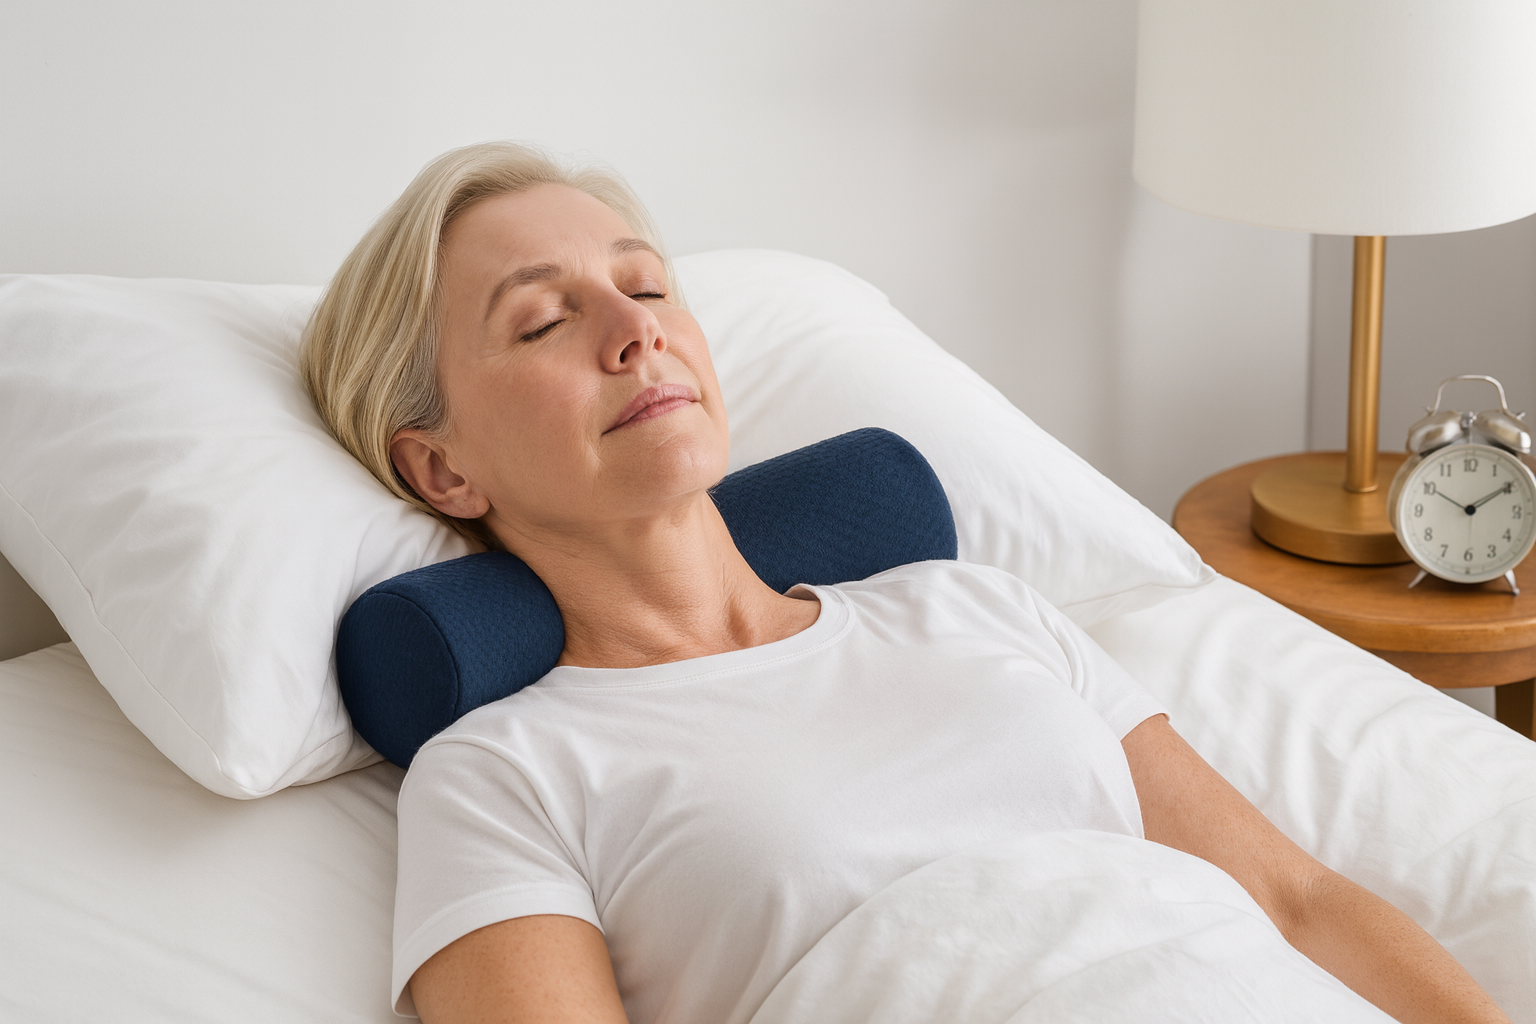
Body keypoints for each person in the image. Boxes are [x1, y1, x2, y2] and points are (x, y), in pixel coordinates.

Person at [301, 142, 1510, 1024]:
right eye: (541, 322)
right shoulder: (506, 772)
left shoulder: (975, 606)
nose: (635, 330)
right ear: (442, 466)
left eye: (648, 285)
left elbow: (1294, 903)